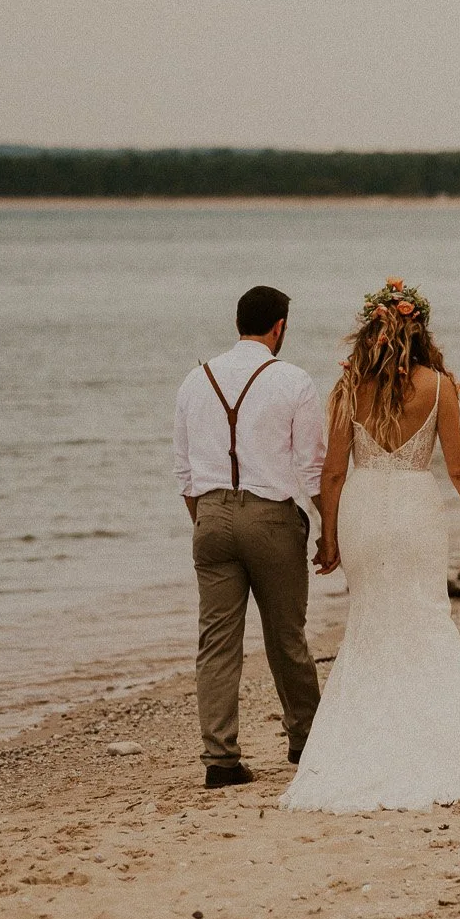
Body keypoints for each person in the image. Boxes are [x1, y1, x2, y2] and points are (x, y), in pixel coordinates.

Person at [280, 279, 460, 813]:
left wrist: (328, 536)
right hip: (414, 510)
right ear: (419, 329)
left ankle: (362, 742)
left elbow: (333, 472)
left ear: (371, 333)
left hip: (363, 509)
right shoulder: (440, 387)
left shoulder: (347, 388)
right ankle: (438, 742)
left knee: (372, 620)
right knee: (426, 616)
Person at [173, 284, 326, 789]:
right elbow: (311, 468)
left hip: (210, 517)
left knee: (216, 642)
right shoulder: (293, 381)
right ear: (278, 327)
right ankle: (305, 740)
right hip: (271, 520)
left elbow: (185, 473)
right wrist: (330, 529)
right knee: (286, 637)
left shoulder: (195, 380)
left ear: (239, 322)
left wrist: (208, 516)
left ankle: (220, 759)